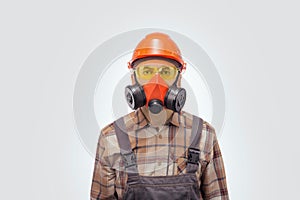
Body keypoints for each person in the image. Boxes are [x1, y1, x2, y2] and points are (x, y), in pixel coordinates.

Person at [90, 32, 229, 200]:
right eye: (146, 71)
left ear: (179, 78)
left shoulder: (204, 135)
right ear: (133, 78)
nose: (157, 80)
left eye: (166, 72)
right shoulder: (111, 137)